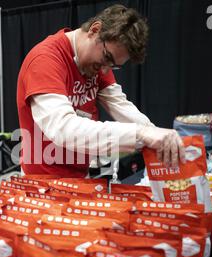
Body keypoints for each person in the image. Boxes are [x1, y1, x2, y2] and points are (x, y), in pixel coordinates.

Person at [17, 4, 186, 178]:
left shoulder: (97, 64)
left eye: (114, 66)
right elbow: (64, 129)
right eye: (107, 58)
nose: (106, 71)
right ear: (94, 30)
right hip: (40, 185)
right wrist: (140, 133)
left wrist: (158, 135)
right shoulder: (45, 60)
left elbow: (121, 106)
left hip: (79, 180)